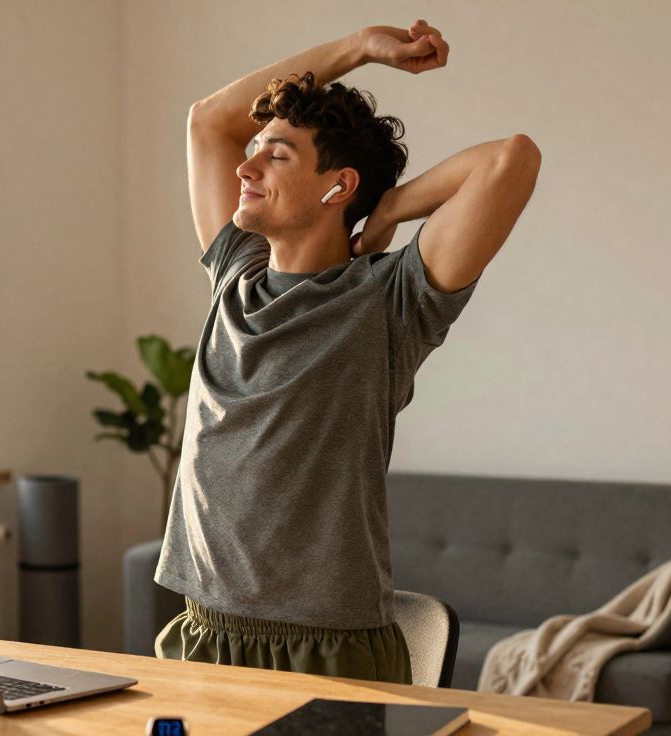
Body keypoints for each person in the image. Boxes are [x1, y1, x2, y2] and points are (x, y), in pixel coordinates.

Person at [152, 19, 541, 683]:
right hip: (202, 631)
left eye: (276, 155)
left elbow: (511, 159)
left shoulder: (388, 299)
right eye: (257, 151)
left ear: (339, 187)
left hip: (327, 649)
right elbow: (208, 121)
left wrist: (390, 213)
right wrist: (361, 48)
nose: (246, 166)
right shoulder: (234, 275)